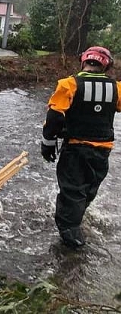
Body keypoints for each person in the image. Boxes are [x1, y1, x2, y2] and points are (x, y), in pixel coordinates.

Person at [41, 46, 121, 248]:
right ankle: (74, 223)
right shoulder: (116, 88)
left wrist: (48, 142)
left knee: (72, 190)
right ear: (107, 66)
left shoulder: (69, 84)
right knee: (88, 190)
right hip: (102, 151)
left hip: (76, 148)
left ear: (83, 61)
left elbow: (55, 115)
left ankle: (70, 237)